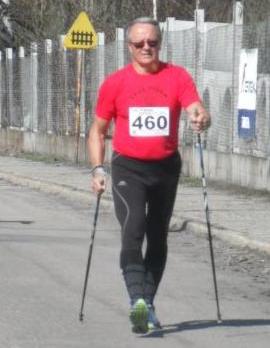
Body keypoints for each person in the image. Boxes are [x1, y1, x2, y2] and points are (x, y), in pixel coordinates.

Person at [88, 17, 211, 333]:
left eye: (152, 42)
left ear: (159, 44)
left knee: (157, 235)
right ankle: (136, 300)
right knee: (134, 227)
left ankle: (147, 305)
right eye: (139, 43)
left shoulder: (177, 76)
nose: (146, 48)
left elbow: (196, 108)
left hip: (165, 168)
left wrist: (202, 118)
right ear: (129, 46)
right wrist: (98, 168)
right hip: (128, 167)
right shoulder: (115, 83)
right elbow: (98, 130)